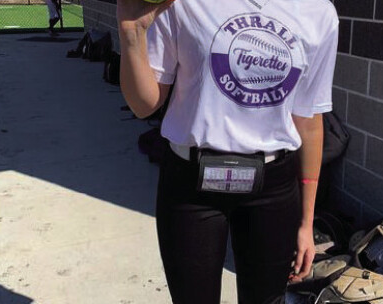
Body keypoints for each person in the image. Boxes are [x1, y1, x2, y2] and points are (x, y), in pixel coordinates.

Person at [116, 0, 339, 302]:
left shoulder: (318, 12)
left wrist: (306, 222)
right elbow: (143, 105)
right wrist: (132, 34)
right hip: (191, 187)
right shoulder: (181, 4)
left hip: (272, 188)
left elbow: (310, 123)